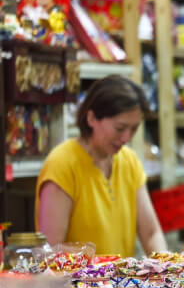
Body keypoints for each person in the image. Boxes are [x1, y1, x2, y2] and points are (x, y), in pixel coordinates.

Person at [36, 75, 167, 257]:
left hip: (121, 284)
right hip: (76, 284)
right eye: (120, 128)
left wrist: (168, 270)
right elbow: (51, 250)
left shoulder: (129, 161)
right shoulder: (62, 164)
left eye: (134, 129)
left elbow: (151, 233)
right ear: (91, 118)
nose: (126, 138)